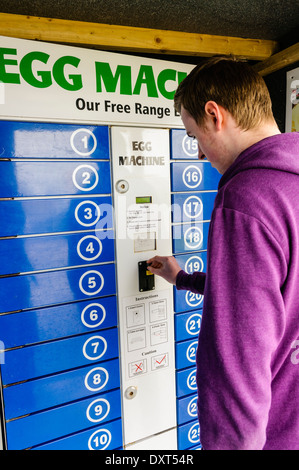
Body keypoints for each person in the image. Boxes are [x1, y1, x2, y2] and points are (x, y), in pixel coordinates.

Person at [147, 56, 299, 450]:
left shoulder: (246, 198)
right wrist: (182, 279)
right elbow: (280, 290)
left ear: (215, 115)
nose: (198, 153)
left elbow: (239, 360)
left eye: (194, 136)